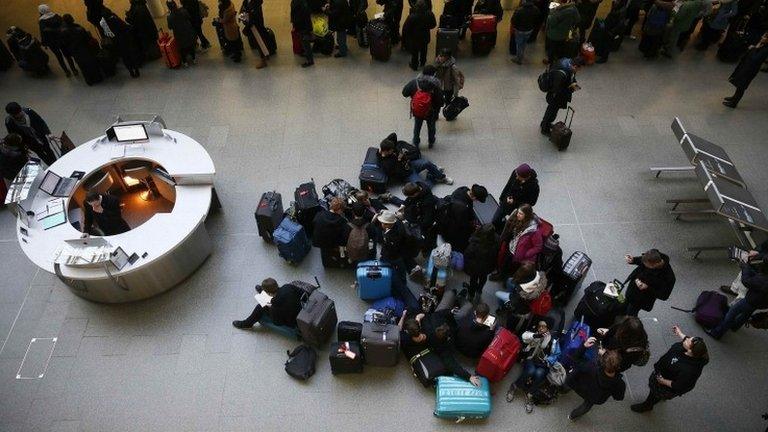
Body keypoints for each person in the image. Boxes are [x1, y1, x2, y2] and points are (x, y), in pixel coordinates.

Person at [631, 325, 709, 412]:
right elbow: (689, 341)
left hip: (665, 384)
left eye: (687, 341)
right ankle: (657, 399)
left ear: (690, 351)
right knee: (656, 395)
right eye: (689, 338)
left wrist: (663, 381)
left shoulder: (689, 371)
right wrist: (679, 333)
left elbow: (679, 385)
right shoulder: (693, 350)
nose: (686, 339)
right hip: (663, 373)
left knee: (654, 394)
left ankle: (647, 406)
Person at [506, 319, 561, 412]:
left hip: (543, 362)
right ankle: (515, 385)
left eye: (544, 326)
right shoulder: (534, 333)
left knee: (539, 374)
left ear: (548, 328)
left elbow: (556, 353)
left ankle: (530, 394)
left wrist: (549, 360)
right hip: (530, 358)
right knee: (531, 371)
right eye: (540, 326)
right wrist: (536, 336)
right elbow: (524, 336)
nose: (541, 328)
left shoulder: (552, 339)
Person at [565, 339, 626, 420]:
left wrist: (584, 346)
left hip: (579, 386)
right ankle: (572, 416)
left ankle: (564, 390)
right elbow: (619, 397)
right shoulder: (620, 384)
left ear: (602, 361)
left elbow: (575, 359)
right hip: (595, 397)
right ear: (618, 367)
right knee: (587, 406)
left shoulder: (590, 366)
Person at [707, 260, 768, 339]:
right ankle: (735, 326)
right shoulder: (764, 279)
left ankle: (717, 333)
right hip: (761, 303)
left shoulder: (763, 280)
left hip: (750, 301)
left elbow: (746, 281)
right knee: (746, 314)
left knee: (731, 313)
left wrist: (745, 268)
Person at [378, 210, 419, 310]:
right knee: (401, 272)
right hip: (401, 254)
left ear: (388, 225)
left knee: (393, 276)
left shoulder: (390, 237)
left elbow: (389, 250)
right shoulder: (399, 224)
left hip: (392, 257)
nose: (381, 224)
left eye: (383, 223)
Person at [377, 133, 453, 187]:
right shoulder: (385, 163)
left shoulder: (389, 148)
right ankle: (432, 177)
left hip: (410, 164)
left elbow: (393, 135)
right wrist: (399, 160)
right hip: (407, 175)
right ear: (386, 151)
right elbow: (395, 173)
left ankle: (442, 177)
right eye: (391, 150)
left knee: (426, 163)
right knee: (425, 186)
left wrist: (386, 143)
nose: (393, 150)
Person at [494, 205, 544, 279]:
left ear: (526, 215)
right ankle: (500, 275)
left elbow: (538, 246)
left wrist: (526, 253)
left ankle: (505, 278)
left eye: (520, 214)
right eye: (518, 212)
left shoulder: (534, 231)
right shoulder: (518, 220)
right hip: (511, 248)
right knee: (505, 264)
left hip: (519, 255)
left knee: (511, 269)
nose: (518, 215)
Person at [233, 278, 305, 328]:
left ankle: (247, 324)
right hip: (304, 310)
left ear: (269, 294)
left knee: (260, 306)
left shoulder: (275, 307)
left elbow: (277, 322)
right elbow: (303, 293)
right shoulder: (287, 286)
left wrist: (270, 306)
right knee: (269, 302)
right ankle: (263, 292)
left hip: (293, 322)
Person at [623, 249, 676, 317]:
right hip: (632, 291)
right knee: (624, 306)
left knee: (630, 314)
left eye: (647, 265)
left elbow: (664, 296)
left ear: (655, 264)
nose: (644, 265)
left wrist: (647, 288)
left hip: (641, 298)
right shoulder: (653, 256)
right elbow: (642, 260)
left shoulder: (669, 277)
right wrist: (633, 260)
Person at [402, 65, 444, 148]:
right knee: (431, 126)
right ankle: (431, 141)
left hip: (418, 109)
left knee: (417, 126)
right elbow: (440, 100)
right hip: (431, 111)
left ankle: (416, 141)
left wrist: (414, 95)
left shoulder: (415, 82)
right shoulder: (436, 84)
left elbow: (404, 93)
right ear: (433, 74)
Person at [723, 32, 768, 108]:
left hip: (751, 69)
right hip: (748, 66)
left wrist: (753, 48)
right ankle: (734, 97)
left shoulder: (766, 48)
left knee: (742, 85)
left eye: (764, 37)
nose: (762, 37)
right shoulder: (763, 45)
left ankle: (734, 103)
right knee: (739, 83)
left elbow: (755, 58)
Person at [439, 185, 488, 253]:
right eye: (477, 200)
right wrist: (473, 227)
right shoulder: (462, 209)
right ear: (473, 197)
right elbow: (462, 225)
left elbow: (469, 208)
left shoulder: (463, 189)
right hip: (451, 227)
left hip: (453, 215)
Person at [493, 163, 540, 232]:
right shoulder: (516, 173)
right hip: (506, 202)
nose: (516, 177)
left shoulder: (534, 187)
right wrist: (502, 198)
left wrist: (515, 202)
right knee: (495, 220)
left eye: (519, 176)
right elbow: (508, 185)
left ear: (526, 177)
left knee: (511, 226)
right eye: (516, 175)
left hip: (518, 209)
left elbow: (532, 202)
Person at [540, 57, 581, 136]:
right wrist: (570, 89)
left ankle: (545, 124)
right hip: (555, 96)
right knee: (551, 112)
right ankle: (544, 129)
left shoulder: (568, 65)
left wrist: (573, 83)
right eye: (579, 69)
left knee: (551, 111)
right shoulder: (562, 73)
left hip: (557, 95)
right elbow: (557, 89)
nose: (578, 71)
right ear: (575, 66)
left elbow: (571, 78)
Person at [60, 14, 104, 86]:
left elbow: (64, 43)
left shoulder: (63, 32)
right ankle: (98, 78)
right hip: (85, 49)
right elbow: (87, 38)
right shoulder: (79, 28)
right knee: (91, 63)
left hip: (75, 51)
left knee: (83, 66)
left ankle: (89, 80)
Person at [102, 7, 144, 77]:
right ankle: (136, 69)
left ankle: (131, 71)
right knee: (131, 54)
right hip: (124, 38)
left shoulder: (104, 23)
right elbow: (123, 26)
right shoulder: (114, 18)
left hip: (117, 41)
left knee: (125, 57)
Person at [38, 4, 78, 77]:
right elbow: (63, 24)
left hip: (52, 42)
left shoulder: (42, 21)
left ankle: (66, 71)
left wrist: (45, 43)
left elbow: (43, 32)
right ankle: (74, 69)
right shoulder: (56, 16)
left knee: (59, 57)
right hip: (61, 39)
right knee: (67, 55)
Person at [400, 181, 440, 255]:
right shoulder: (417, 186)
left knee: (427, 239)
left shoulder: (427, 202)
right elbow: (410, 199)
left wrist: (405, 217)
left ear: (415, 194)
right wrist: (404, 205)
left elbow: (426, 221)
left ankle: (427, 250)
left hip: (427, 224)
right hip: (419, 214)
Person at [462, 224, 500, 301]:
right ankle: (479, 291)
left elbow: (467, 254)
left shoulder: (475, 242)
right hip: (487, 267)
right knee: (483, 278)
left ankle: (471, 295)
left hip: (475, 267)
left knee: (473, 280)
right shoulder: (496, 240)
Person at [402, 1, 437, 71]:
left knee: (415, 51)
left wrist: (406, 37)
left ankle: (414, 65)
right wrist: (427, 27)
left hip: (415, 37)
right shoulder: (430, 14)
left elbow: (406, 28)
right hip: (425, 36)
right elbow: (434, 24)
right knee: (424, 49)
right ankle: (423, 62)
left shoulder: (412, 17)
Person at [167, 1, 198, 66]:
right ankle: (194, 58)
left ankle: (185, 62)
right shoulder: (183, 11)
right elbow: (189, 17)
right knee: (190, 45)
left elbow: (170, 27)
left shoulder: (170, 17)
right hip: (187, 31)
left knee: (182, 48)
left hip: (179, 34)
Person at [241, 0, 269, 66]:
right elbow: (244, 7)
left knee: (259, 42)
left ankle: (263, 60)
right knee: (261, 40)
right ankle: (266, 54)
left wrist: (247, 25)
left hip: (255, 25)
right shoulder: (248, 1)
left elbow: (254, 16)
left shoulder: (256, 3)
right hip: (253, 24)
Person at [291, 0, 315, 67]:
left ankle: (310, 60)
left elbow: (305, 16)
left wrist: (309, 29)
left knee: (305, 43)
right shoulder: (298, 2)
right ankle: (308, 56)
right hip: (301, 25)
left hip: (303, 26)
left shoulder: (301, 3)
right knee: (303, 42)